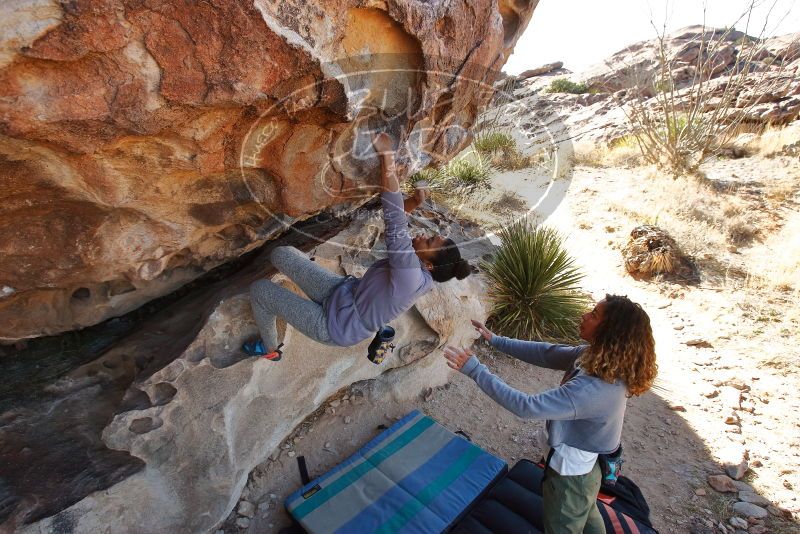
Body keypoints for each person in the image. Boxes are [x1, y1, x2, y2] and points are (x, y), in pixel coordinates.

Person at [243, 132, 472, 361]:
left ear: (429, 265)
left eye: (430, 241)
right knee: (280, 254)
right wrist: (413, 202)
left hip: (335, 327)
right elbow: (399, 232)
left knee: (260, 290)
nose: (424, 235)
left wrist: (387, 156)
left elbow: (394, 219)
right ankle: (306, 286)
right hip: (342, 292)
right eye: (430, 236)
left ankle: (269, 348)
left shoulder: (411, 276)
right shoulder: (415, 268)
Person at [443, 295, 658, 533]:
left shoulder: (593, 389)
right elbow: (548, 353)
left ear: (611, 332)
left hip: (569, 477)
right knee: (586, 513)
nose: (584, 316)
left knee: (564, 523)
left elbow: (526, 407)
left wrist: (475, 370)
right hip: (584, 472)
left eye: (594, 315)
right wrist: (496, 340)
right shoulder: (596, 357)